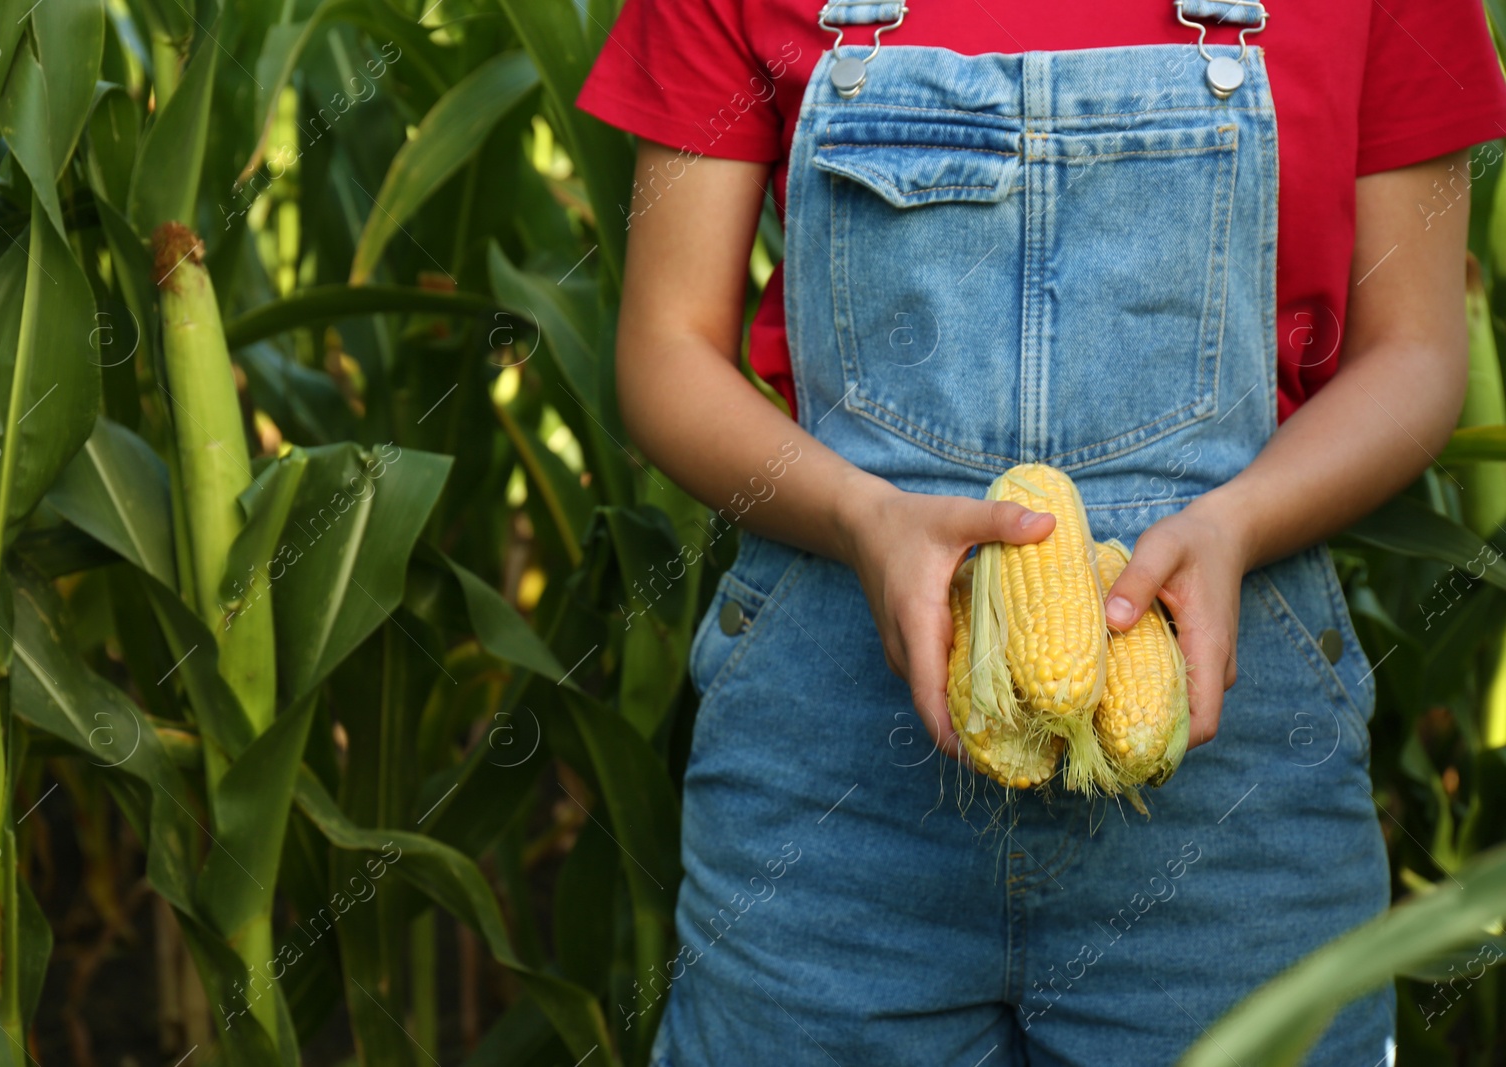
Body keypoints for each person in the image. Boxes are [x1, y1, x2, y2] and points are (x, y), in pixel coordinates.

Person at [576, 1, 1506, 1062]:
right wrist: (862, 517)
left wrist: (1238, 523)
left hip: (1232, 793)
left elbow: (1417, 352)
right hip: (831, 784)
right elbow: (664, 349)